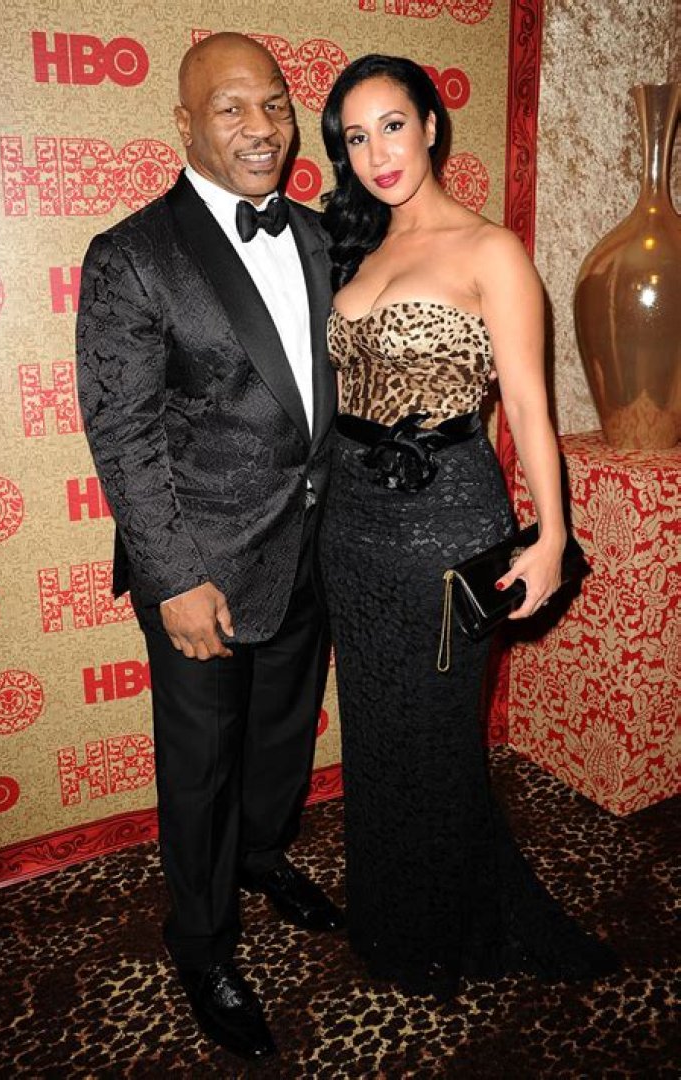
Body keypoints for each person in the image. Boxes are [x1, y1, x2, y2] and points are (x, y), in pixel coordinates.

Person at [318, 54, 617, 999]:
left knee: (440, 740)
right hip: (351, 529)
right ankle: (390, 918)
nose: (377, 153)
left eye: (392, 125)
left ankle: (450, 931)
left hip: (447, 522)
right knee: (375, 734)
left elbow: (527, 407)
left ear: (432, 127)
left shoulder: (493, 251)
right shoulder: (352, 249)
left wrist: (551, 538)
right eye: (356, 137)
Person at [76, 34, 341, 1062]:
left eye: (274, 103)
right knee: (200, 770)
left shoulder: (320, 235)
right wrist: (175, 578)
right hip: (203, 567)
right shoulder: (133, 254)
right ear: (184, 125)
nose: (260, 128)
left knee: (282, 736)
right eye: (230, 109)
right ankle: (200, 941)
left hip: (311, 546)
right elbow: (124, 433)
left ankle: (264, 858)